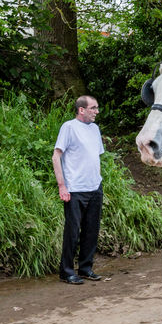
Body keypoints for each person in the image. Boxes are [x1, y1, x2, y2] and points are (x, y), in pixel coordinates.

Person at [52, 95, 105, 284]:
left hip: (94, 187)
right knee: (72, 232)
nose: (96, 112)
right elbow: (56, 156)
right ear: (81, 110)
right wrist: (62, 186)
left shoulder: (95, 129)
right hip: (74, 189)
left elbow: (94, 156)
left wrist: (98, 182)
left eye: (97, 108)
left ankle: (85, 268)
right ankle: (66, 272)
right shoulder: (69, 127)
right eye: (93, 108)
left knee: (92, 230)